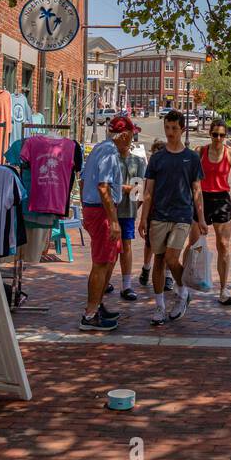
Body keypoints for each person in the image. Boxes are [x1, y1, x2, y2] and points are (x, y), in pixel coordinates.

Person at [138, 110, 207, 326]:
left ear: (182, 129)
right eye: (167, 128)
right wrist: (143, 218)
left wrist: (201, 218)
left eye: (174, 129)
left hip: (182, 215)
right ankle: (159, 306)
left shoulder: (192, 158)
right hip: (159, 215)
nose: (170, 133)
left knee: (171, 257)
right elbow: (148, 191)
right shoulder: (158, 158)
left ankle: (182, 292)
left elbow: (197, 190)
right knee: (158, 260)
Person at [77, 117, 133, 331]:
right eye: (131, 134)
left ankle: (97, 305)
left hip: (94, 209)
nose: (132, 140)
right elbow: (103, 188)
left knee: (109, 259)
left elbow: (83, 180)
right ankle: (90, 314)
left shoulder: (100, 148)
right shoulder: (109, 154)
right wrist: (113, 220)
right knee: (101, 263)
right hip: (101, 212)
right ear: (125, 135)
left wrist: (84, 207)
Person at [196, 119, 231, 306]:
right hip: (201, 198)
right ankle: (185, 283)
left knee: (223, 245)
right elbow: (190, 179)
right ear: (209, 134)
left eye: (221, 135)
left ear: (226, 136)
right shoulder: (200, 152)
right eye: (215, 134)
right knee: (194, 244)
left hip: (221, 200)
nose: (218, 138)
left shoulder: (230, 154)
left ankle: (223, 289)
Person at [138, 138, 174, 294]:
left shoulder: (172, 168)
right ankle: (146, 268)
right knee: (150, 244)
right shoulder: (151, 169)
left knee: (167, 246)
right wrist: (142, 216)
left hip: (169, 212)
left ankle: (167, 276)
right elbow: (145, 192)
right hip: (153, 212)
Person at [115, 122, 147, 301]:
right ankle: (105, 280)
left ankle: (126, 285)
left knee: (126, 246)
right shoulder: (110, 159)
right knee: (110, 247)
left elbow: (138, 191)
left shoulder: (138, 161)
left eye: (129, 136)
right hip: (109, 210)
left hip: (127, 211)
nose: (126, 140)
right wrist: (127, 188)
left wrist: (122, 189)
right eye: (122, 136)